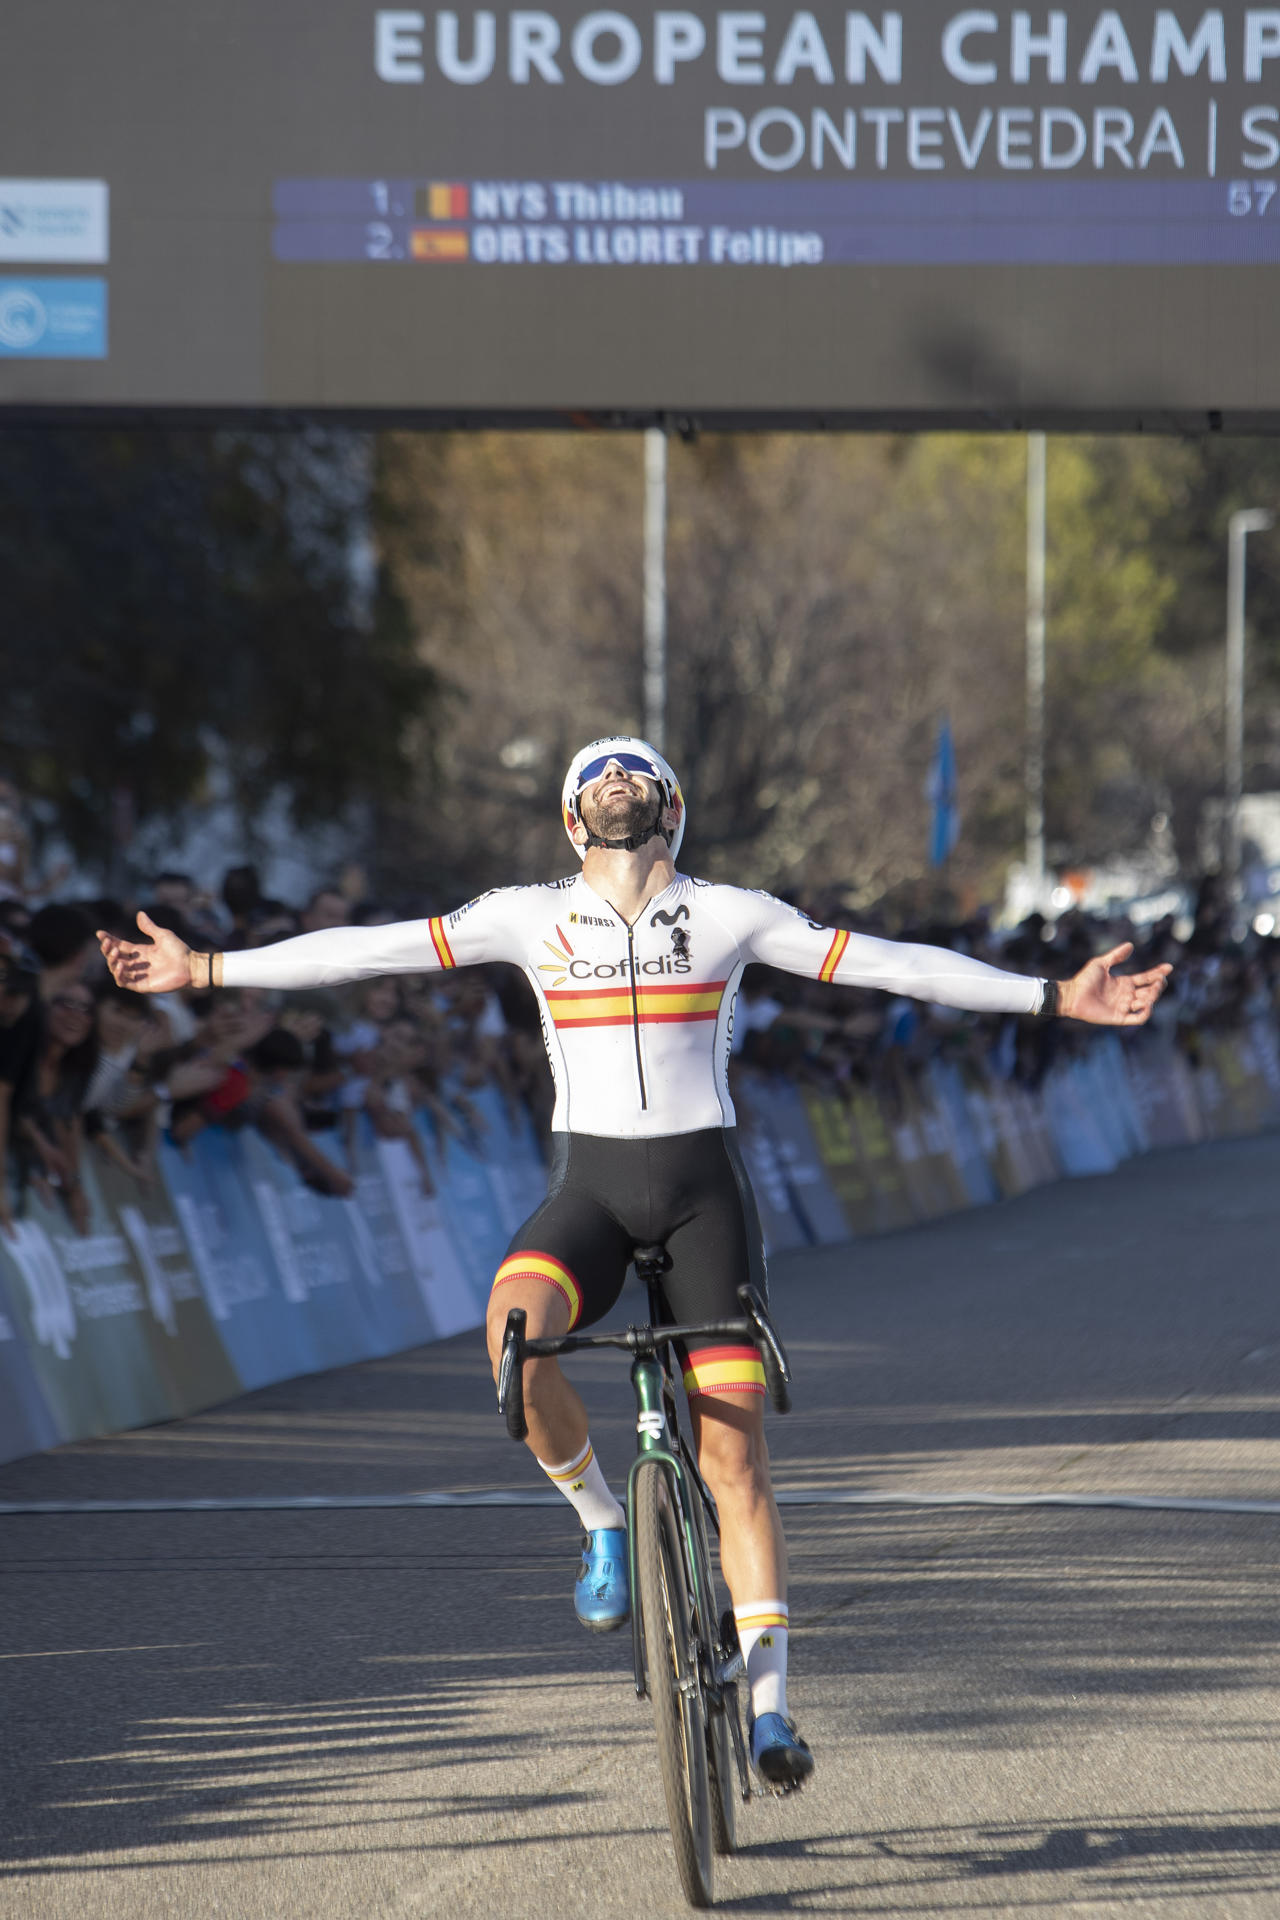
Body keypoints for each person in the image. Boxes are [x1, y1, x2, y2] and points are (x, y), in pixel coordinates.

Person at [96, 736, 1171, 1790]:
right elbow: (364, 947)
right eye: (592, 773)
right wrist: (205, 967)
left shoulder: (730, 914)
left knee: (735, 1464)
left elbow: (891, 966)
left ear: (669, 803)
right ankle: (603, 1524)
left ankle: (767, 1712)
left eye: (632, 769)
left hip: (704, 1197)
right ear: (571, 820)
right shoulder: (524, 914)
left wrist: (1050, 996)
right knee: (513, 1337)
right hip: (592, 1194)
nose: (613, 779)